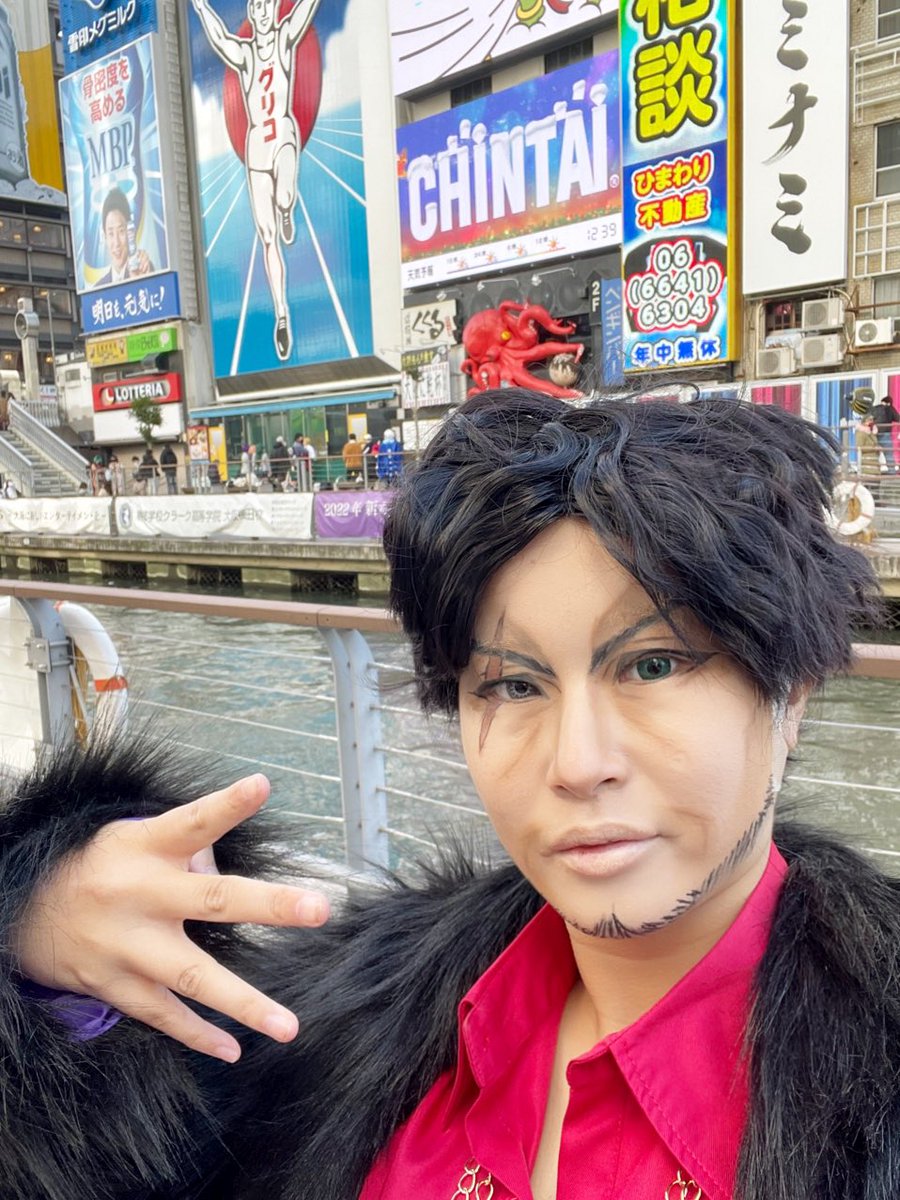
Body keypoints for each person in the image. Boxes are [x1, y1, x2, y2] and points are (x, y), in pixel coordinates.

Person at [1, 394, 896, 1200]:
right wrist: (42, 949)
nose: (578, 763)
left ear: (791, 694)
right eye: (513, 685)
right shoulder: (344, 1022)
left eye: (652, 665)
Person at [190, 0, 320, 360]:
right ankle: (282, 314)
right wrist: (201, 8)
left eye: (267, 5)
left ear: (275, 8)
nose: (262, 12)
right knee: (267, 236)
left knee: (285, 196)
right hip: (257, 151)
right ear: (251, 11)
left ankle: (287, 208)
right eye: (256, 6)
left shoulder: (285, 38)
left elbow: (305, 9)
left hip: (284, 137)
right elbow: (219, 38)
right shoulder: (246, 55)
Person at [95, 188, 154, 287]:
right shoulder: (99, 289)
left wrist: (139, 280)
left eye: (121, 231)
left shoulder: (143, 269)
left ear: (130, 232)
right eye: (111, 233)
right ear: (105, 237)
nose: (116, 243)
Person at [870, 393, 900, 472]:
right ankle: (891, 471)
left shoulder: (875, 408)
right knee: (889, 454)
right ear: (889, 403)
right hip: (885, 434)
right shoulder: (890, 409)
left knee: (874, 453)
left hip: (874, 434)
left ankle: (873, 471)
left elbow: (869, 419)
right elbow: (898, 418)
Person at [856, 415, 882, 481]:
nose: (871, 422)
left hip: (875, 462)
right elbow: (860, 447)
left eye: (872, 420)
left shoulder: (872, 432)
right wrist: (873, 448)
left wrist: (878, 448)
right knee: (869, 482)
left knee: (876, 482)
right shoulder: (861, 433)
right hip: (867, 463)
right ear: (864, 422)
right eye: (869, 420)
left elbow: (875, 443)